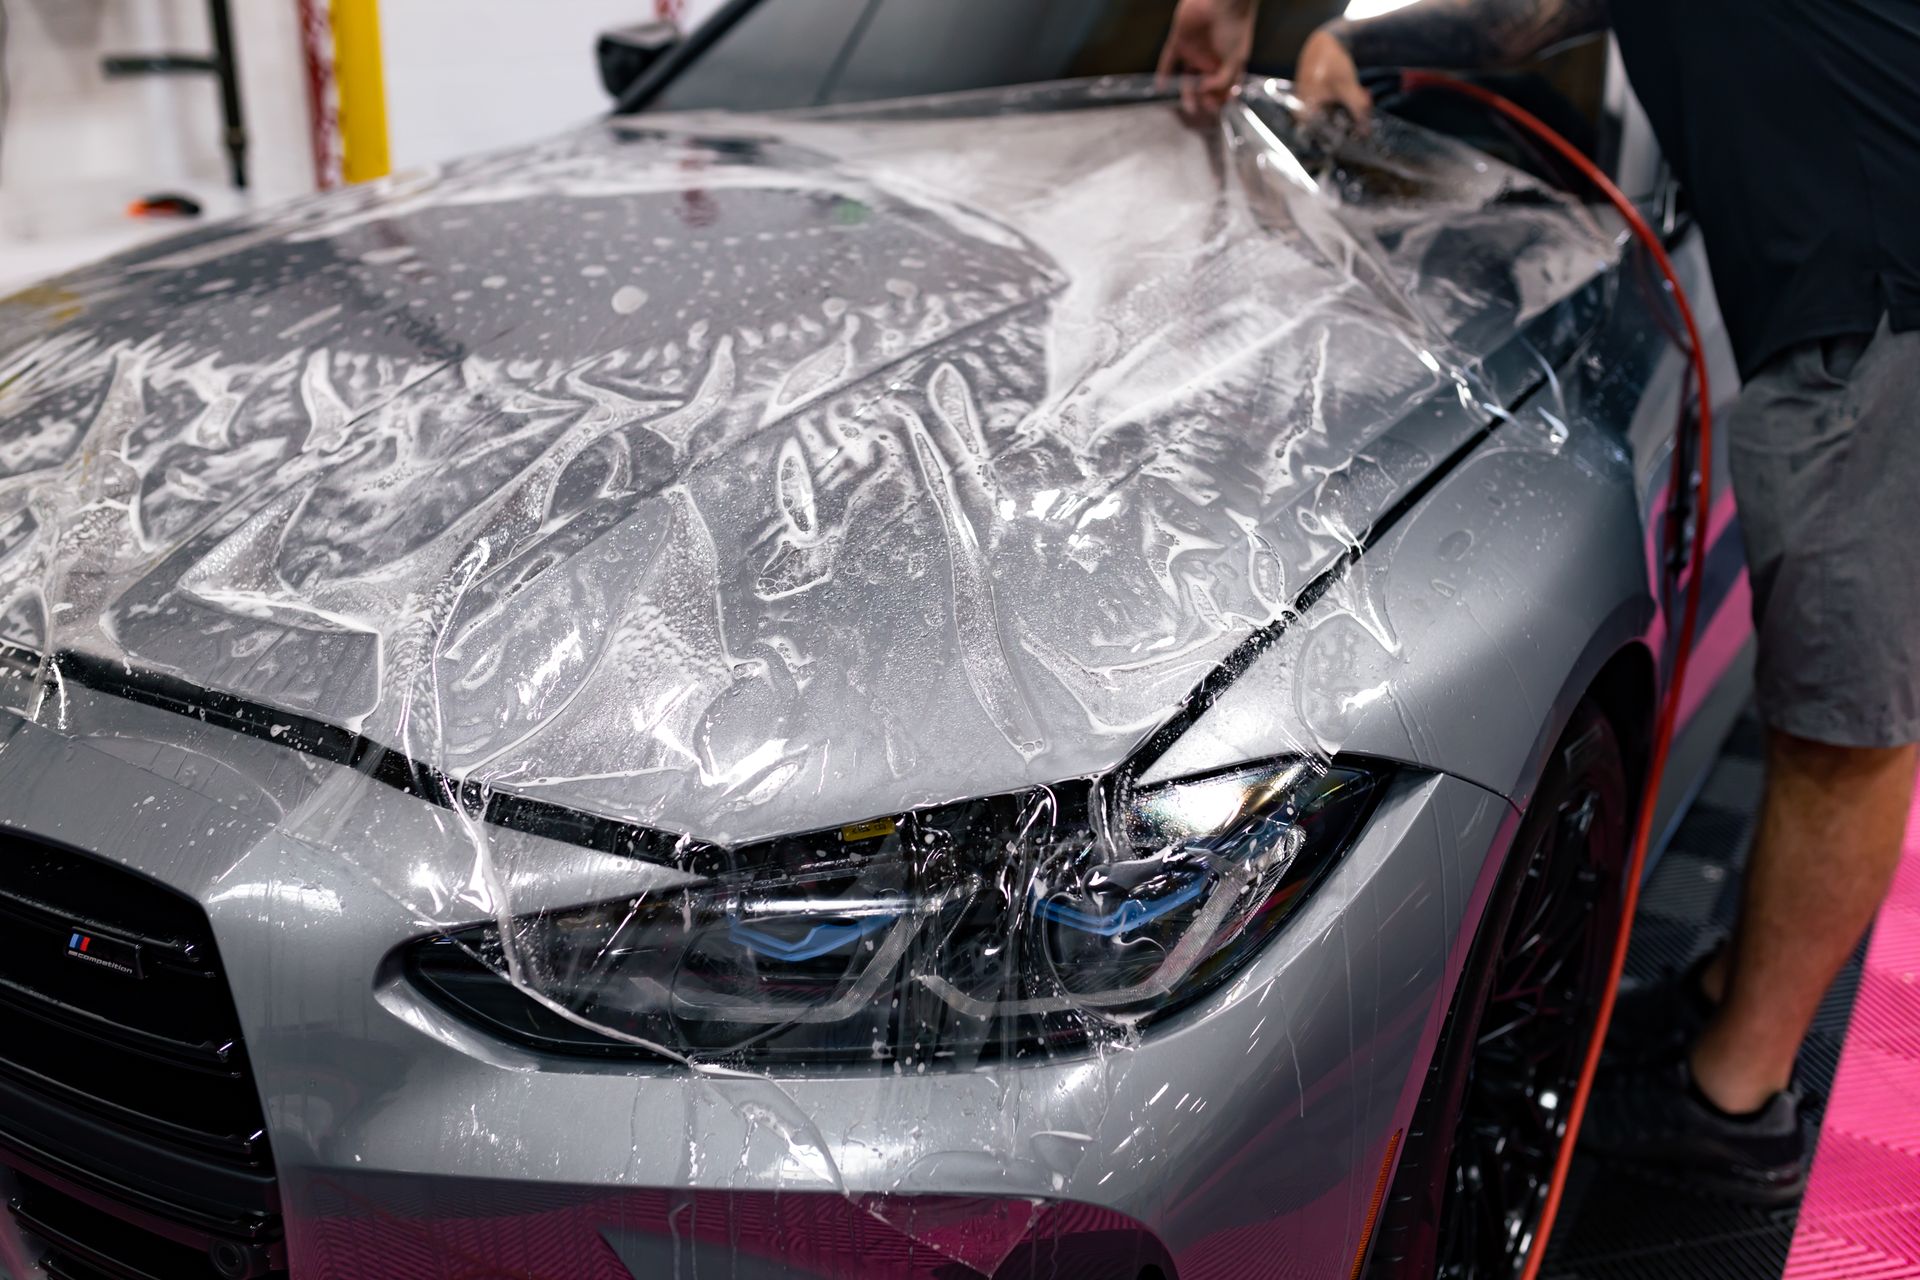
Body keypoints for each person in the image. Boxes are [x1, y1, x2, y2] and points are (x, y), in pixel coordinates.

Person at [1160, 0, 1920, 1203]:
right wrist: (1357, 48)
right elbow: (1525, 23)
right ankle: (1734, 1004)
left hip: (1881, 301)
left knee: (1844, 713)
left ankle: (1731, 1102)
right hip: (1849, 288)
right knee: (1836, 694)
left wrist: (1258, 15)